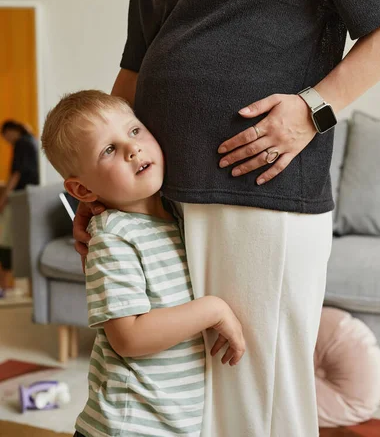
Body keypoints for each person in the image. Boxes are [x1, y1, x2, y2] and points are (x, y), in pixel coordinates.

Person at [74, 0, 380, 435]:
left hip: (261, 186)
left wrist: (314, 110)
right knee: (194, 395)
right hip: (164, 197)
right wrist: (95, 195)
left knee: (259, 393)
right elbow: (138, 61)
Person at [41, 89, 245, 437]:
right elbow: (129, 337)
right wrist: (214, 310)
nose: (131, 148)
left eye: (134, 131)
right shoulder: (113, 237)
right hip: (128, 425)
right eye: (108, 150)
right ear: (83, 191)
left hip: (169, 422)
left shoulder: (178, 219)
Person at [0, 120, 39, 212]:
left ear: (9, 131)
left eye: (5, 137)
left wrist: (3, 200)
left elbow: (16, 173)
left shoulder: (21, 142)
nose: (7, 141)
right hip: (34, 189)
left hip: (25, 191)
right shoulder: (32, 139)